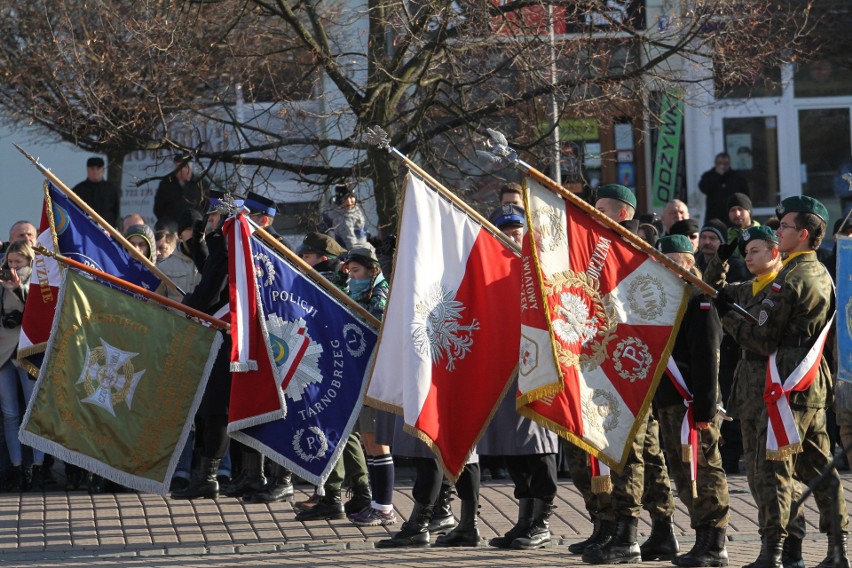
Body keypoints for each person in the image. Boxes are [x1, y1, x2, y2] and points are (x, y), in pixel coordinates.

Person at [717, 196, 848, 568]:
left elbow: (761, 338)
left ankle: (774, 551)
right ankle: (834, 550)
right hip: (807, 380)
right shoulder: (819, 271)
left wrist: (729, 319)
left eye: (785, 227)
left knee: (772, 470)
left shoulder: (791, 280)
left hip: (782, 384)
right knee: (818, 467)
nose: (778, 231)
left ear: (804, 234)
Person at [480, 205, 559, 551]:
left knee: (537, 445)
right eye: (505, 232)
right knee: (512, 446)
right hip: (504, 367)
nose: (512, 238)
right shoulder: (489, 271)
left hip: (537, 365)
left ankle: (542, 519)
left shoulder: (542, 269)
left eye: (517, 232)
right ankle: (524, 518)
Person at [654, 235, 730, 567]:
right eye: (661, 261)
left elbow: (707, 360)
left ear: (688, 263)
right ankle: (701, 536)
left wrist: (705, 409)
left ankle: (715, 543)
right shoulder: (663, 302)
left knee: (705, 470)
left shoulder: (700, 301)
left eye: (672, 261)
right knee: (682, 473)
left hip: (693, 404)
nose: (665, 267)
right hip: (670, 403)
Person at [0, 241, 41, 491]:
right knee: (10, 414)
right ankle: (16, 467)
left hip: (29, 352)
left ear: (29, 262)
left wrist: (18, 289)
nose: (13, 267)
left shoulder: (37, 282)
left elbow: (39, 310)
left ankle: (37, 465)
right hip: (4, 352)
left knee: (33, 411)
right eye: (10, 262)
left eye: (19, 262)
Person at [153, 155, 208, 229]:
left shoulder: (201, 184)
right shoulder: (166, 184)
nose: (182, 171)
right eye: (179, 168)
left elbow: (206, 205)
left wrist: (197, 218)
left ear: (191, 168)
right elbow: (158, 208)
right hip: (171, 225)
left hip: (193, 224)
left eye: (185, 167)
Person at [698, 152, 749, 225]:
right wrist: (717, 175)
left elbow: (745, 196)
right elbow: (704, 188)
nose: (722, 166)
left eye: (725, 163)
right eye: (720, 163)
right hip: (714, 215)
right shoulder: (708, 176)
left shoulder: (737, 177)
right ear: (715, 163)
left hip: (732, 215)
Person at [72, 157, 121, 228]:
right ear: (87, 170)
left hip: (107, 231)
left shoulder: (111, 189)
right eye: (92, 169)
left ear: (103, 170)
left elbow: (116, 211)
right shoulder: (78, 190)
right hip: (85, 229)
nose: (95, 171)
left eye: (98, 168)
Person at [320, 184, 368, 249]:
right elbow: (351, 243)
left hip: (362, 248)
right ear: (339, 200)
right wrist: (359, 256)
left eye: (351, 197)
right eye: (345, 198)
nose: (349, 201)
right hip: (352, 254)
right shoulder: (343, 219)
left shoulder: (354, 210)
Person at [726, 193, 760, 257]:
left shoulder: (762, 234)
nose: (737, 214)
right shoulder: (725, 237)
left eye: (740, 209)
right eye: (733, 210)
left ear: (749, 211)